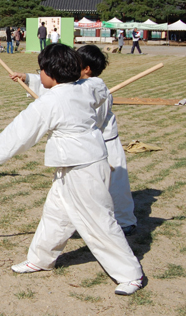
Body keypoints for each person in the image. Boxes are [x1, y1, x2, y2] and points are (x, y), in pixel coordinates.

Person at [0, 43, 144, 296]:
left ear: (50, 73)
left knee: (98, 221)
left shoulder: (51, 102)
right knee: (56, 215)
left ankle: (130, 273)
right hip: (73, 165)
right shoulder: (87, 87)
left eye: (40, 71)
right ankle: (40, 259)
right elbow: (99, 87)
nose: (39, 75)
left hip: (84, 169)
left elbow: (23, 130)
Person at [77, 45, 137, 235]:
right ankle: (86, 222)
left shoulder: (98, 91)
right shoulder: (78, 86)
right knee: (88, 186)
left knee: (116, 185)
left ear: (87, 68)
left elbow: (94, 121)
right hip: (91, 144)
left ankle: (125, 221)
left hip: (107, 145)